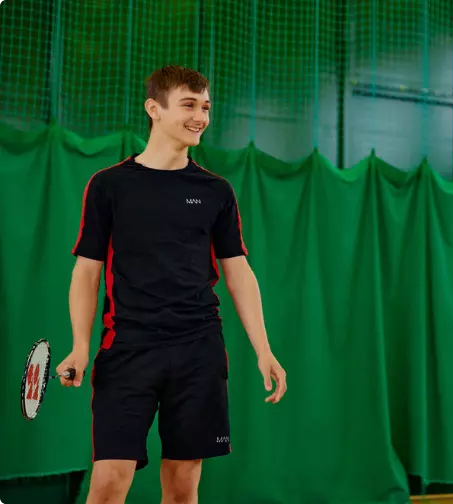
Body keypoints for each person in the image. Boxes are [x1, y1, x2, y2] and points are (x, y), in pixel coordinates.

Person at [55, 65, 287, 504]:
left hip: (198, 351)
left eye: (206, 107)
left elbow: (238, 271)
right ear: (153, 109)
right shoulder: (108, 185)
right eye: (188, 105)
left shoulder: (217, 191)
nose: (201, 115)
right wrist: (80, 347)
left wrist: (264, 349)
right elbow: (86, 271)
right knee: (107, 483)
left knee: (183, 487)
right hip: (126, 351)